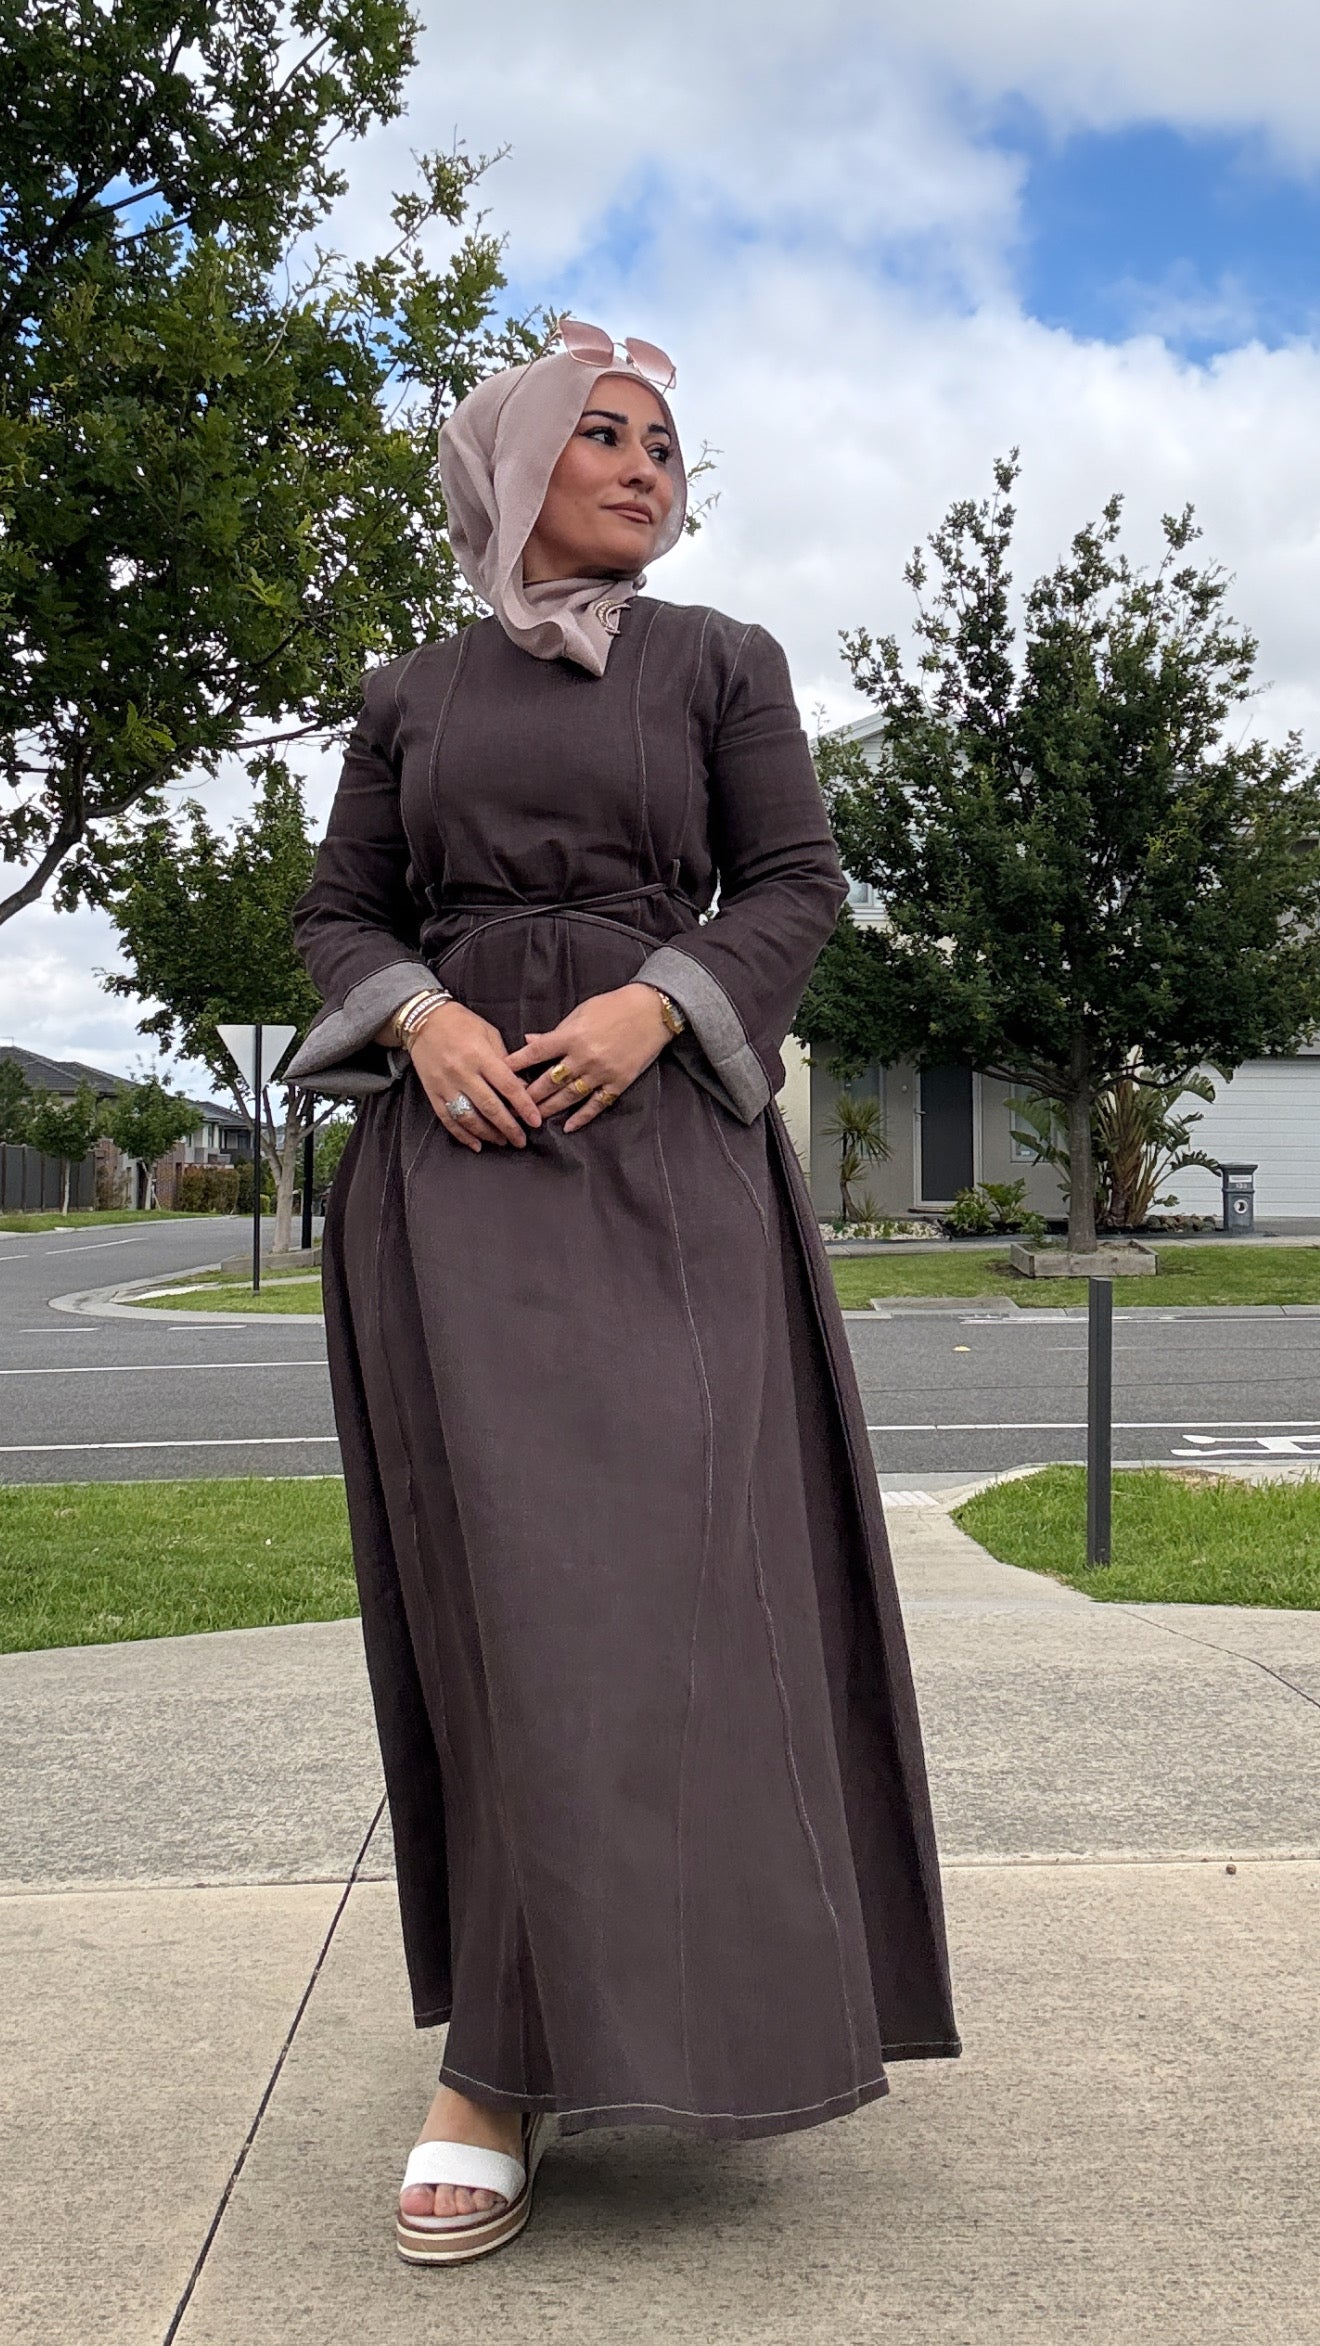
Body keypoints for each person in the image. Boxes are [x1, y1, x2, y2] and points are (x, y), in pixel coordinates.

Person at [286, 321, 960, 2268]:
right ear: (509, 468)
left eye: (667, 442)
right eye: (603, 433)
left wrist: (656, 1003)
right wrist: (418, 1020)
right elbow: (342, 912)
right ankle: (495, 2068)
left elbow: (795, 882)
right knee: (501, 1614)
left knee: (678, 1606)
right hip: (456, 1181)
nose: (650, 466)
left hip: (669, 1172)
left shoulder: (721, 662)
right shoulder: (407, 697)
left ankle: (733, 2011)